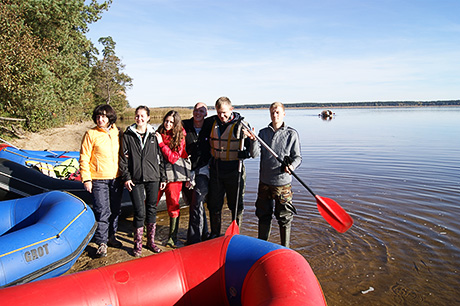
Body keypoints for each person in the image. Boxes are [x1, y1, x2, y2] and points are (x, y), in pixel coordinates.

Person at [207, 96, 258, 238]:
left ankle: (236, 235)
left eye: (224, 112)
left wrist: (251, 143)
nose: (221, 116)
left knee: (236, 205)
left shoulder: (242, 125)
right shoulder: (211, 123)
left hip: (235, 171)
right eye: (218, 113)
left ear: (231, 109)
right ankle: (215, 234)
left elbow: (255, 154)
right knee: (214, 205)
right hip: (216, 170)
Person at [252, 102, 302, 248]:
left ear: (284, 114)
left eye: (278, 112)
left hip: (282, 184)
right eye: (272, 112)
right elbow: (254, 154)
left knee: (285, 218)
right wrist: (253, 140)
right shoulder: (262, 133)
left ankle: (285, 249)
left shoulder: (291, 134)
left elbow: (297, 157)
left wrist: (291, 166)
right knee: (263, 215)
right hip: (264, 183)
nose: (275, 115)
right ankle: (262, 247)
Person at [119, 106, 166, 257]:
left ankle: (150, 242)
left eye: (142, 116)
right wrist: (126, 177)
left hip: (153, 178)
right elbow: (123, 160)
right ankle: (137, 244)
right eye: (137, 116)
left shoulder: (155, 136)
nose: (139, 119)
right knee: (139, 211)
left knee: (152, 209)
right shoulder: (128, 136)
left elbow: (161, 159)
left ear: (148, 118)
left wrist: (163, 177)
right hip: (136, 179)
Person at [80, 104, 124, 258]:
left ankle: (112, 236)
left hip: (116, 178)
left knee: (116, 209)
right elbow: (84, 157)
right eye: (98, 116)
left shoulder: (116, 132)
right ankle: (102, 243)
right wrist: (86, 179)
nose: (100, 119)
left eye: (104, 116)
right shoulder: (91, 134)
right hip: (98, 178)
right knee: (102, 210)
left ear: (110, 117)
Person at [156, 110, 190, 247]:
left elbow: (173, 158)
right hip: (159, 173)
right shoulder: (159, 132)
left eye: (171, 122)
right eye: (166, 121)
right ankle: (145, 231)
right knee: (151, 202)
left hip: (174, 175)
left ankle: (172, 236)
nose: (168, 124)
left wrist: (161, 144)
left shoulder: (180, 136)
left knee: (173, 205)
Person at [181, 102, 213, 245]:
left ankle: (193, 240)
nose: (198, 113)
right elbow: (169, 126)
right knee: (194, 204)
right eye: (196, 110)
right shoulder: (185, 125)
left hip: (203, 169)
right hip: (186, 169)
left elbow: (227, 117)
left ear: (206, 114)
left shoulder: (209, 125)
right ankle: (205, 233)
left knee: (197, 202)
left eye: (202, 111)